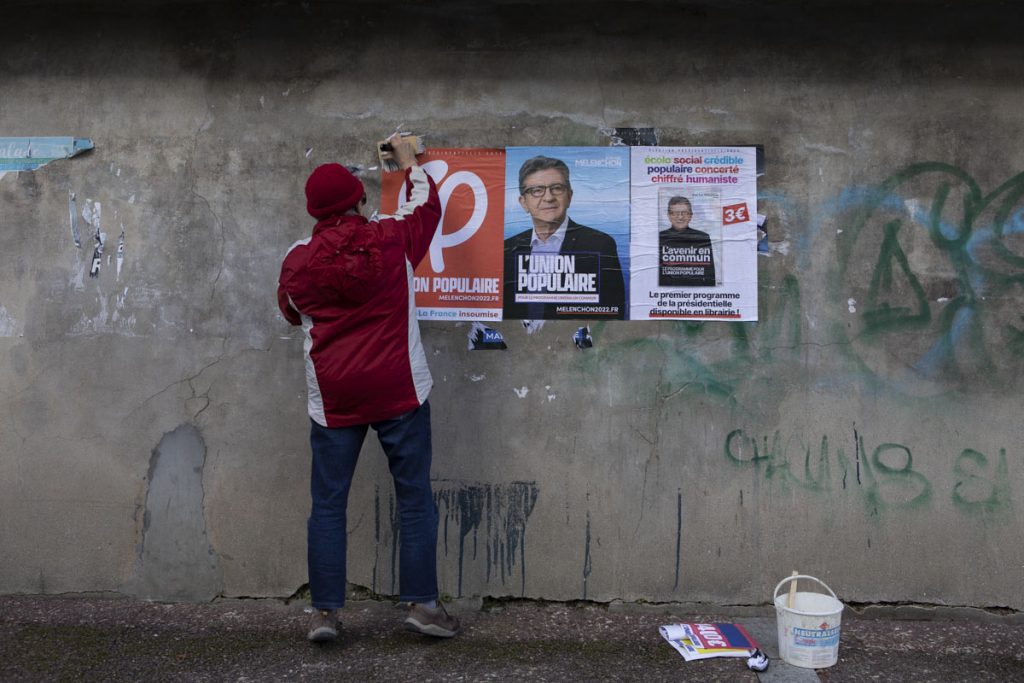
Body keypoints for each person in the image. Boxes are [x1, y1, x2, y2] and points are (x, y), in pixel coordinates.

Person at [277, 135, 460, 643]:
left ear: (314, 212)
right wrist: (408, 162)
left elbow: (292, 313)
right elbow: (426, 205)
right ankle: (424, 605)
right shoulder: (390, 237)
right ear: (359, 198)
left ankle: (325, 615)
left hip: (335, 401)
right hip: (399, 390)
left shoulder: (297, 259)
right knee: (415, 497)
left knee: (329, 504)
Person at [503, 155, 626, 319]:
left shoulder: (600, 245)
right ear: (523, 202)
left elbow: (613, 312)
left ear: (569, 196)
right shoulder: (507, 248)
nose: (548, 197)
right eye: (537, 190)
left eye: (557, 188)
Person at [658, 195, 716, 287]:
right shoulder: (659, 238)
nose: (680, 217)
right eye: (676, 213)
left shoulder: (702, 237)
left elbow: (710, 275)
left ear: (690, 215)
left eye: (684, 213)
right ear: (669, 215)